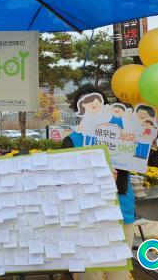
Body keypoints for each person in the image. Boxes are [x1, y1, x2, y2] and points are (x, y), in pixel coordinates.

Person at [62, 85, 137, 280]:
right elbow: (65, 181)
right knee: (90, 273)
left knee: (119, 272)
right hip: (88, 215)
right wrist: (96, 178)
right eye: (85, 106)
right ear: (78, 111)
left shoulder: (123, 135)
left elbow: (152, 159)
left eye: (97, 105)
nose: (91, 110)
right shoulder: (72, 141)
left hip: (121, 210)